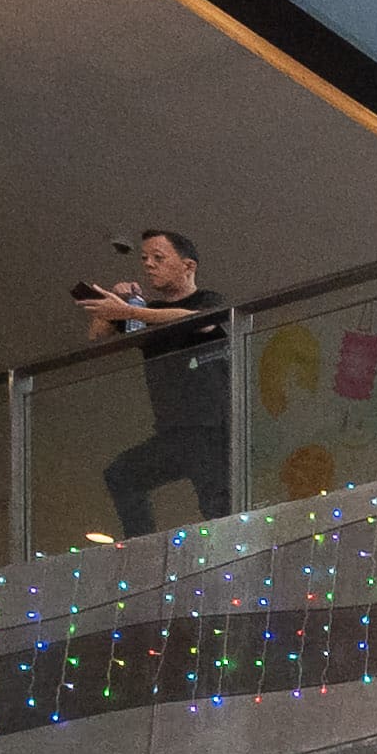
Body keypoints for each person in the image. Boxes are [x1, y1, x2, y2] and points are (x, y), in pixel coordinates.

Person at [80, 227, 231, 537]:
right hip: (172, 430)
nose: (149, 264)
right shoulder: (147, 312)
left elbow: (200, 322)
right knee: (121, 475)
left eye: (159, 258)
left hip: (211, 427)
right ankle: (142, 544)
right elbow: (97, 337)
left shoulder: (208, 299)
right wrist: (118, 304)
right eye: (145, 258)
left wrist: (130, 309)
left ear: (188, 266)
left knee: (218, 506)